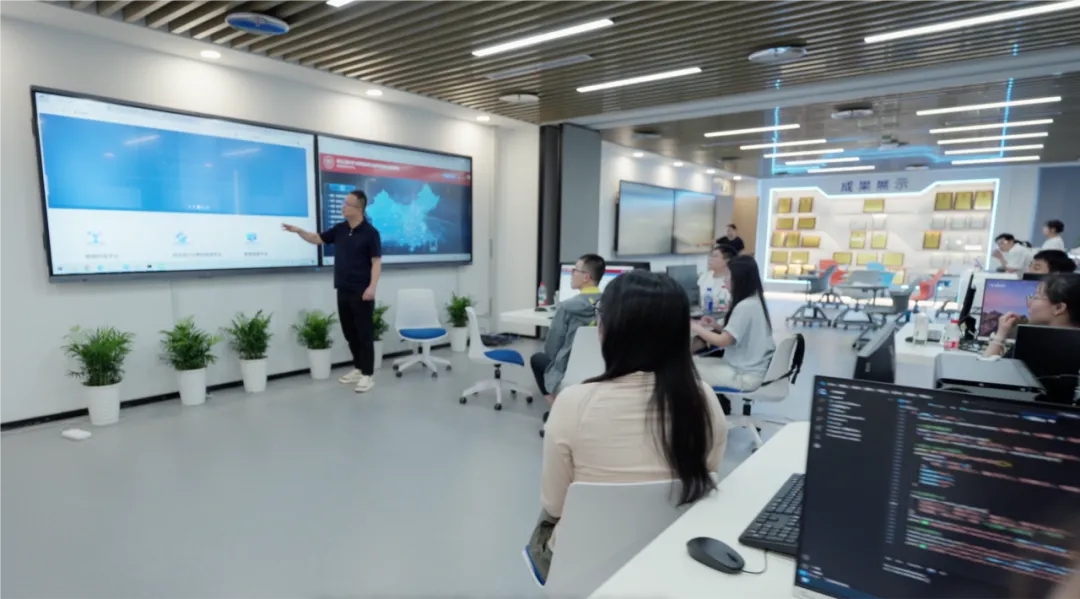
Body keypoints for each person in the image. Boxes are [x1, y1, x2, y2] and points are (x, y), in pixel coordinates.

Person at [525, 270, 728, 583]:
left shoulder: (573, 403)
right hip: (670, 556)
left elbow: (554, 503)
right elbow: (709, 471)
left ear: (606, 330)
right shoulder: (705, 400)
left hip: (583, 564)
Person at [283, 190, 382, 393]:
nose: (343, 207)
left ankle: (368, 375)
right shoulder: (340, 229)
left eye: (347, 204)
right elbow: (317, 238)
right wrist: (299, 231)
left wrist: (372, 287)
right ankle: (358, 368)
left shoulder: (370, 233)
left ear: (359, 208)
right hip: (342, 288)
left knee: (363, 333)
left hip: (362, 291)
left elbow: (376, 262)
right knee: (350, 332)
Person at [690, 255, 776, 391]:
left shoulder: (745, 306)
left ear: (739, 279)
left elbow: (723, 341)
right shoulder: (754, 300)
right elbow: (740, 334)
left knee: (682, 370)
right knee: (691, 362)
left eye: (728, 276)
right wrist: (716, 326)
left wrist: (694, 326)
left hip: (743, 375)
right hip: (748, 369)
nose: (725, 280)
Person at [529, 254, 604, 405]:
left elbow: (551, 349)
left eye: (575, 270)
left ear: (586, 277)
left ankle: (557, 405)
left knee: (537, 359)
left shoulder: (566, 307)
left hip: (569, 369)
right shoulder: (610, 304)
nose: (572, 273)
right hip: (601, 369)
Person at [984, 273, 1080, 357]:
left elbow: (987, 370)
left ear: (1059, 308)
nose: (1029, 303)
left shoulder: (1035, 343)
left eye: (1036, 296)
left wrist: (999, 337)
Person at [697, 244, 736, 313]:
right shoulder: (704, 276)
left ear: (726, 260)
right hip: (704, 314)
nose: (710, 259)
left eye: (715, 256)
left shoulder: (732, 280)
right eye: (710, 256)